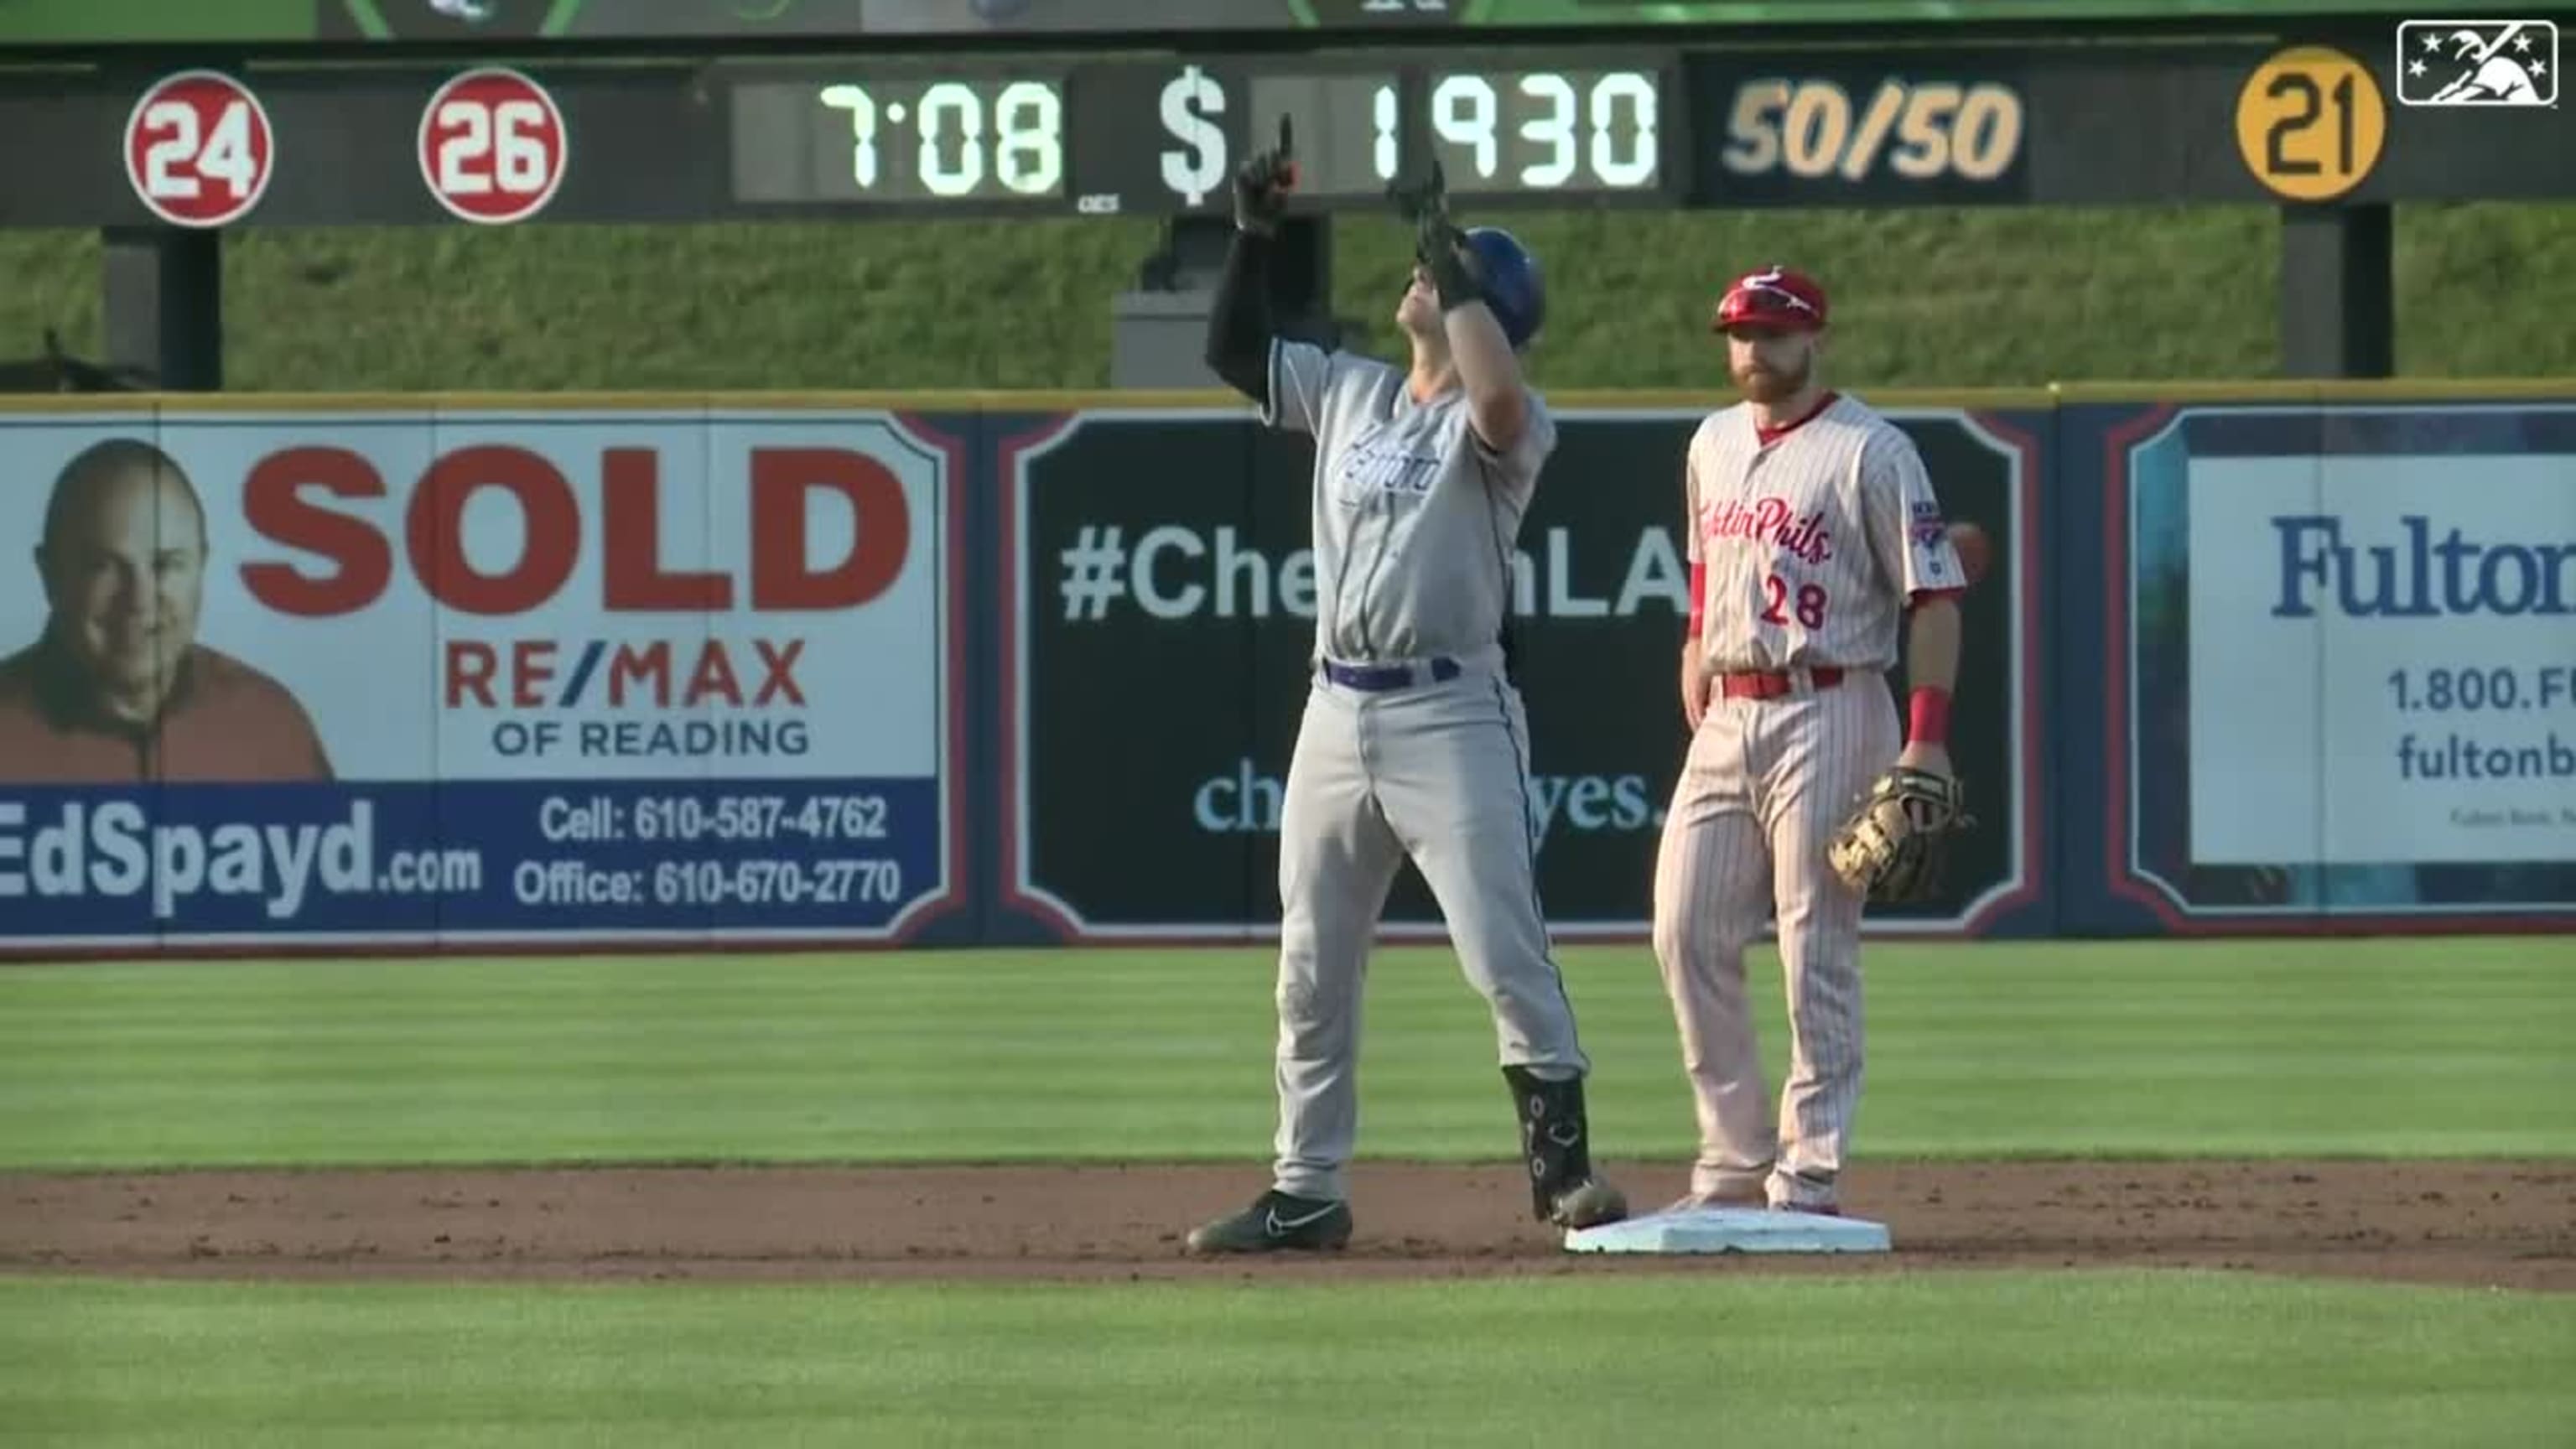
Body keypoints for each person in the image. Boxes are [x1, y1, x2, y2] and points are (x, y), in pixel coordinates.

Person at [1181, 128, 1627, 1254]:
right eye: (1433, 264)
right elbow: (1234, 347)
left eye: (1450, 274)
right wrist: (1251, 231)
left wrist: (1451, 251)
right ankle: (1306, 1189)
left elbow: (1499, 405)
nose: (1423, 277)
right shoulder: (1349, 390)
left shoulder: (1507, 424)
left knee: (1501, 950)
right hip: (1337, 710)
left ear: (1488, 307)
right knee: (1311, 964)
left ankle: (1564, 1174)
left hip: (1451, 713)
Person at [1649, 265, 1968, 1217]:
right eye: (1739, 334)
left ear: (1813, 336)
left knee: (1814, 938)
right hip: (1729, 710)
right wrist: (1697, 641)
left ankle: (1812, 1164)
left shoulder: (1870, 450)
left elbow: (1935, 597)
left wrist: (1927, 741)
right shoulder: (1710, 441)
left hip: (1832, 701)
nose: (1752, 350)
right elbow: (1707, 563)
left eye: (1771, 332)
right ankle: (1735, 1149)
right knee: (1682, 928)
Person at [0, 438, 334, 784]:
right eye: (103, 565)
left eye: (165, 564)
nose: (139, 599)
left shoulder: (269, 724)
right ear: (49, 573)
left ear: (201, 565)